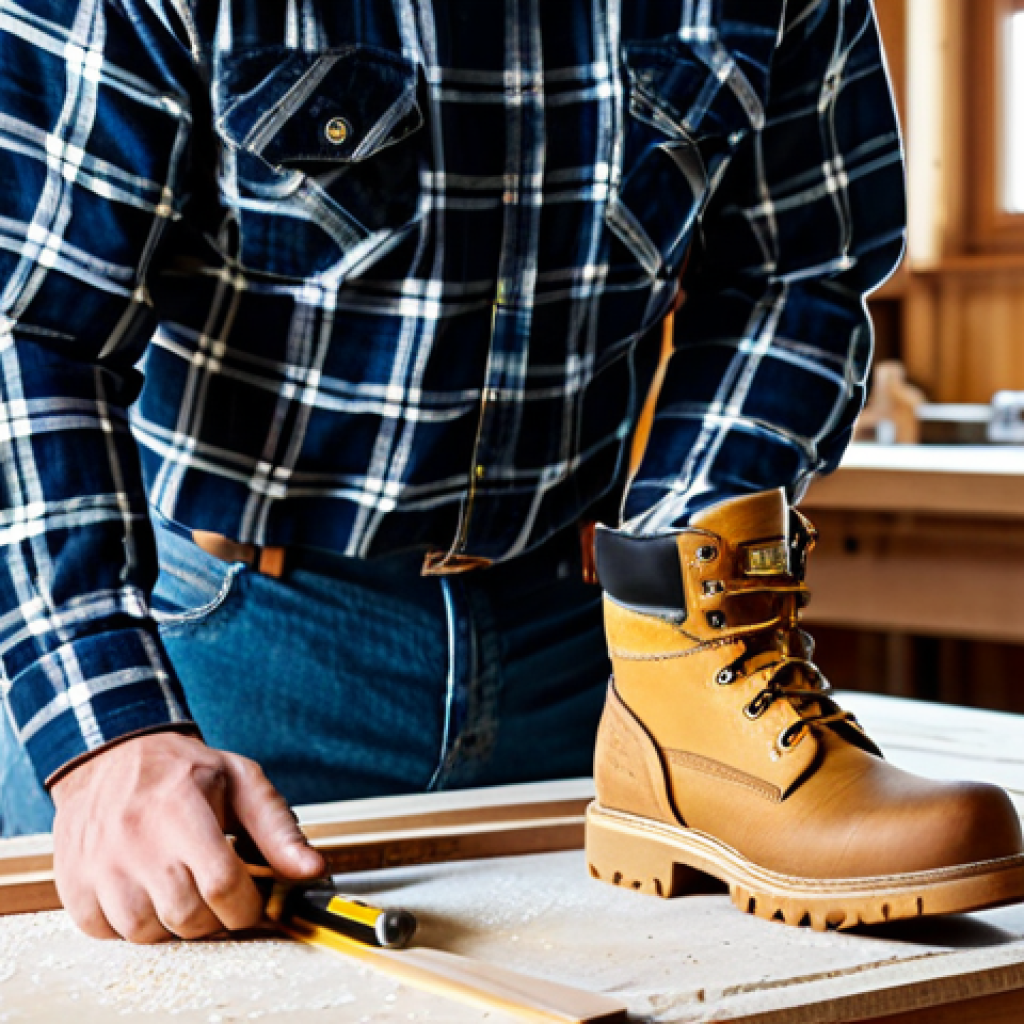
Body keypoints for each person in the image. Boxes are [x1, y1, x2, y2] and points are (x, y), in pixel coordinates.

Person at [4, 0, 1021, 945]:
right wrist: (108, 730)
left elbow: (793, 272)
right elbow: (29, 324)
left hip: (595, 657)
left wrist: (683, 605)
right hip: (220, 658)